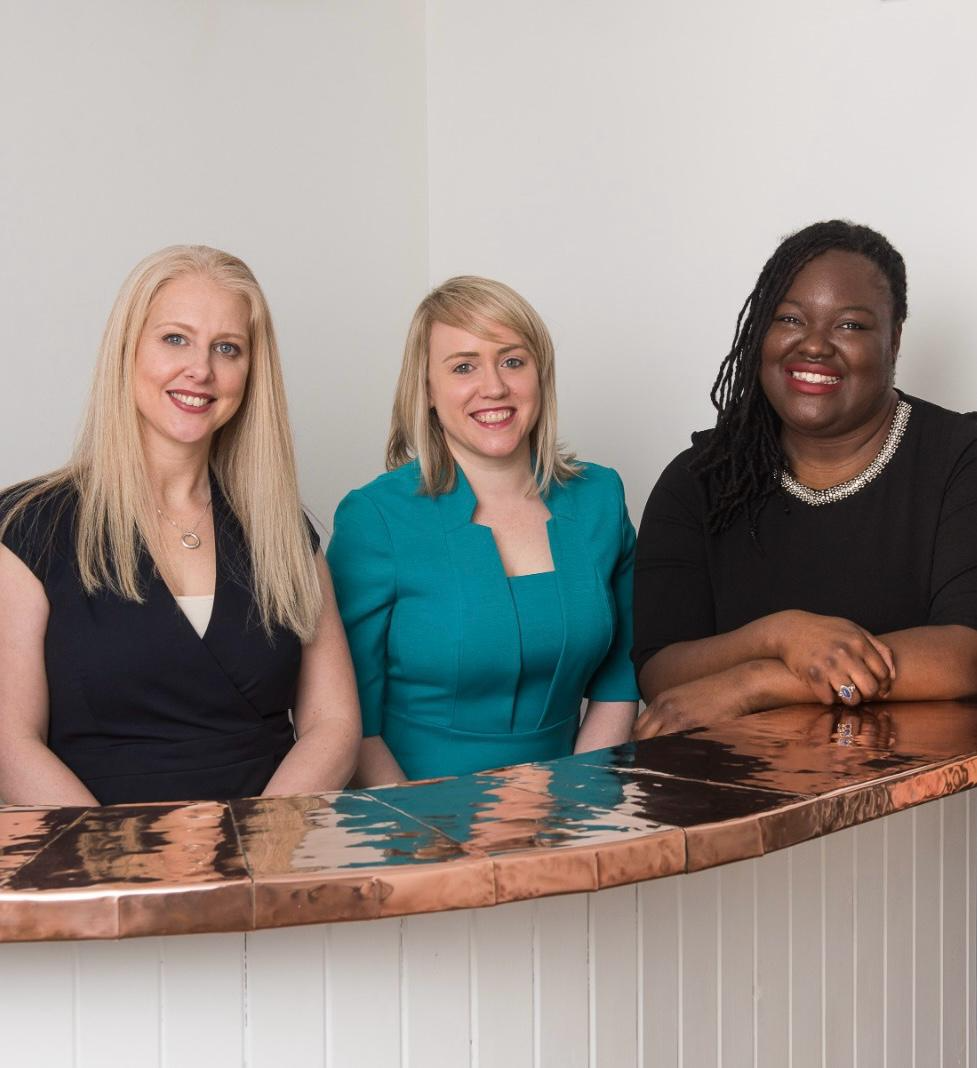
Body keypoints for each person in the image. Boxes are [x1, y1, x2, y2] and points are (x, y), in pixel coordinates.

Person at [0, 246, 360, 805]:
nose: (201, 369)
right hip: (92, 847)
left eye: (227, 348)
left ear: (251, 373)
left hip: (271, 842)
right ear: (127, 349)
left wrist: (258, 842)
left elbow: (333, 725)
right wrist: (117, 856)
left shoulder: (282, 530)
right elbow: (10, 744)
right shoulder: (28, 525)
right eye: (175, 339)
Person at [632, 220, 977, 738]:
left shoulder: (960, 458)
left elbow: (965, 656)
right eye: (789, 318)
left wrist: (758, 683)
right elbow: (660, 672)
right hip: (736, 781)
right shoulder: (699, 479)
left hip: (926, 786)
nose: (814, 346)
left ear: (894, 339)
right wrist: (779, 635)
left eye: (850, 325)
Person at [327, 276, 638, 784]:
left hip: (575, 800)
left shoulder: (601, 497)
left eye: (512, 361)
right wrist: (422, 825)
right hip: (413, 810)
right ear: (427, 389)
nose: (494, 386)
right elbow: (349, 722)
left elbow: (619, 682)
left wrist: (580, 800)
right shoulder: (373, 518)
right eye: (463, 366)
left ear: (540, 375)